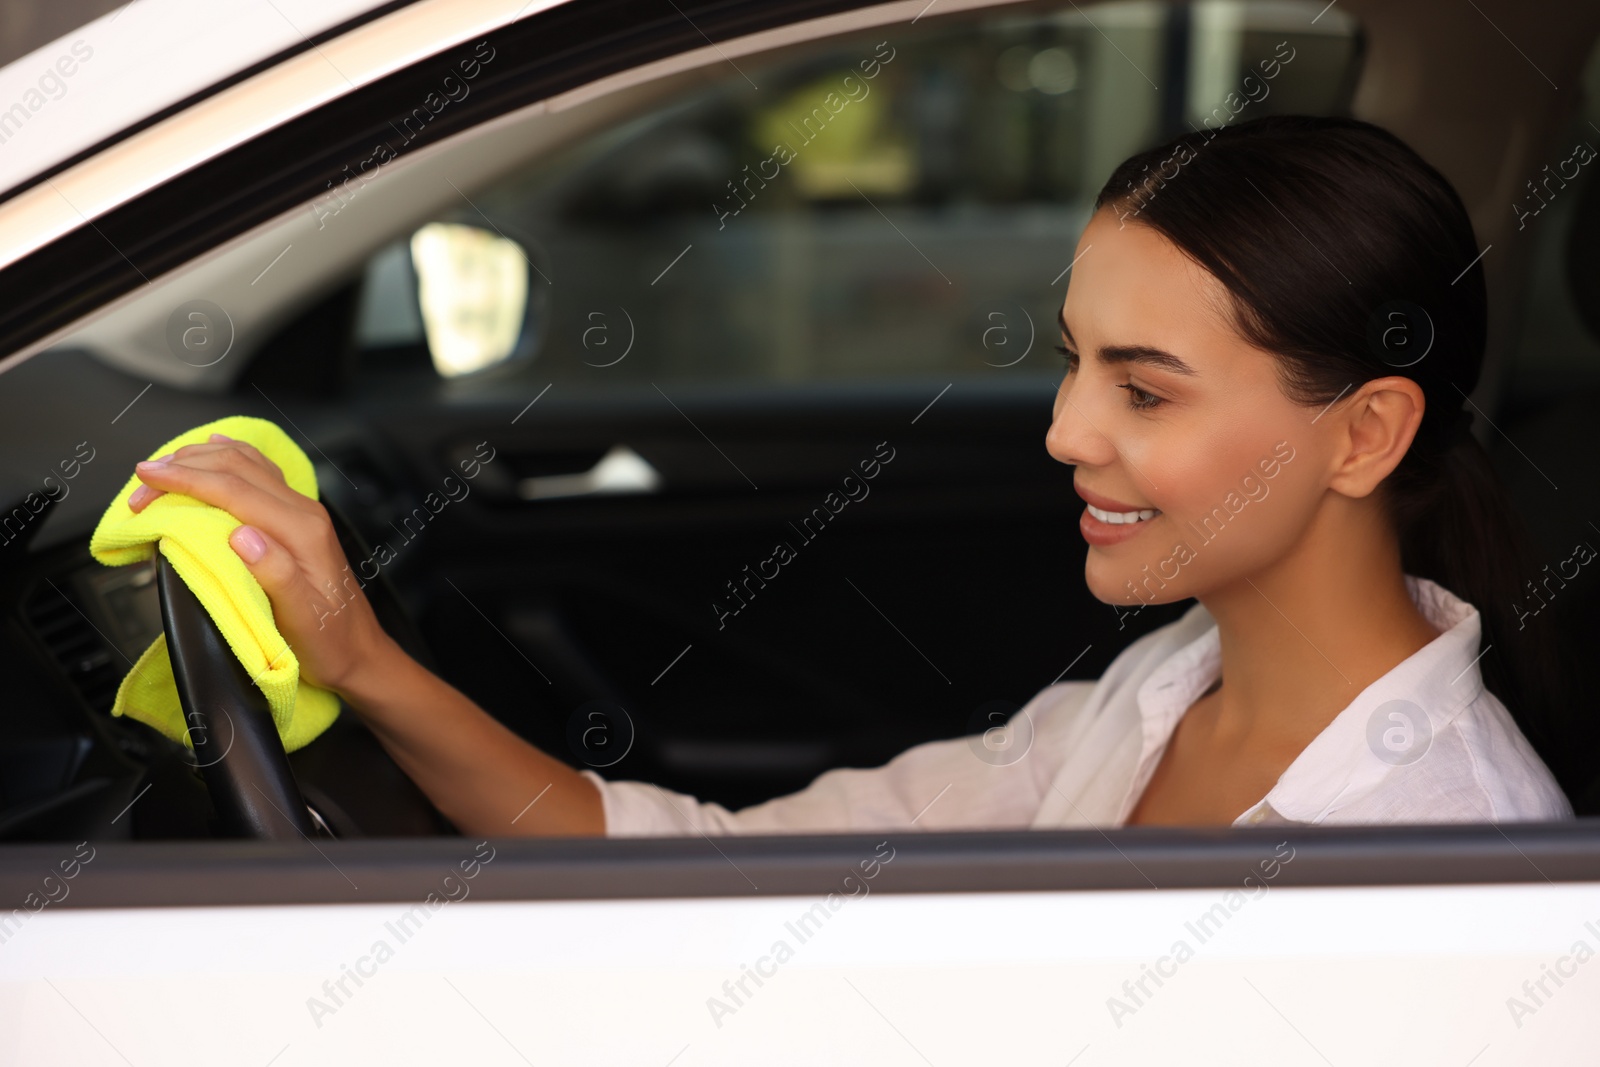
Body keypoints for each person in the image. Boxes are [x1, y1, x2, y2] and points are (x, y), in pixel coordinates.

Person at [125, 114, 1577, 836]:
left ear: (1365, 434)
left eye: (1142, 388)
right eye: (1073, 363)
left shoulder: (1449, 846)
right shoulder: (1141, 705)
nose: (1069, 433)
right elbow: (701, 866)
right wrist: (363, 666)